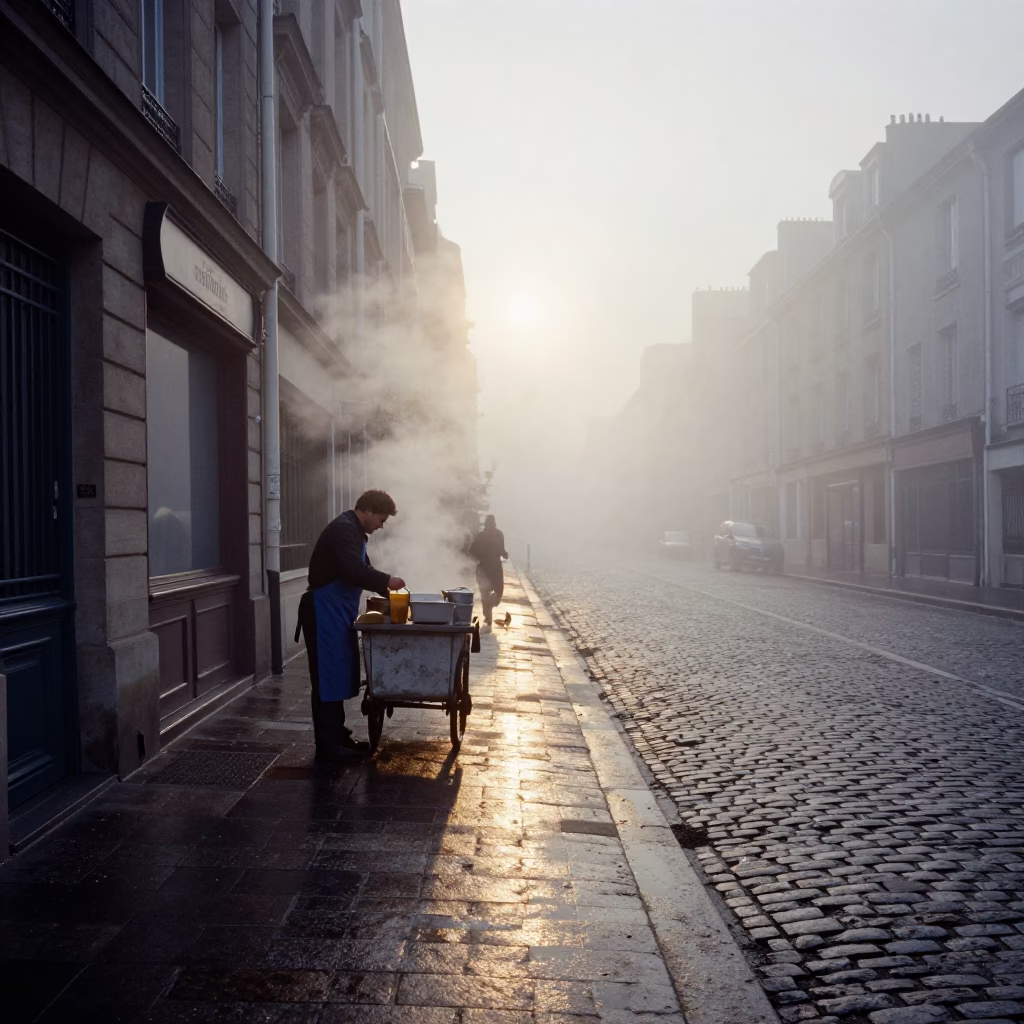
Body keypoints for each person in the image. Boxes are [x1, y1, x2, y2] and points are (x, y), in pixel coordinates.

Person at [295, 489, 405, 761]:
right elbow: (353, 571)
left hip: (336, 614)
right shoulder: (344, 529)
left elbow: (363, 570)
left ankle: (338, 735)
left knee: (338, 674)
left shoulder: (354, 531)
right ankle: (329, 747)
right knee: (327, 678)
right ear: (367, 511)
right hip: (322, 612)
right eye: (381, 519)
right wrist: (387, 581)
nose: (381, 526)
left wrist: (390, 593)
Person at [469, 514, 508, 627]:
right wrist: (505, 554)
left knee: (487, 593)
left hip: (487, 568)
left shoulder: (484, 535)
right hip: (491, 568)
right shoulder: (496, 534)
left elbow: (472, 552)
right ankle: (488, 614)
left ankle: (488, 613)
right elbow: (502, 550)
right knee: (493, 591)